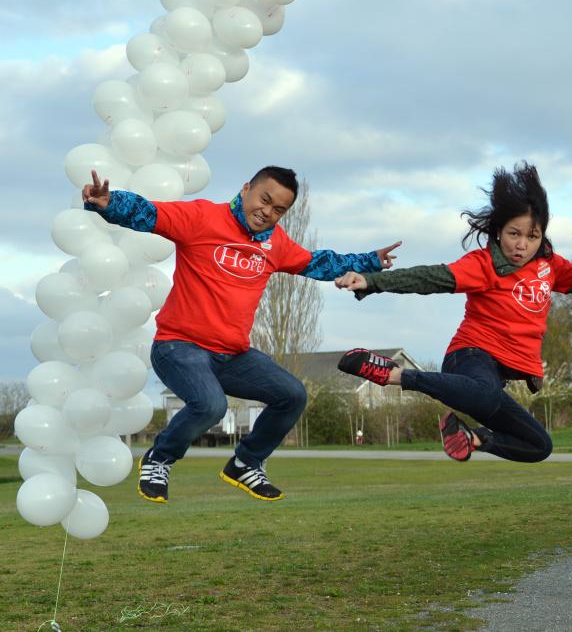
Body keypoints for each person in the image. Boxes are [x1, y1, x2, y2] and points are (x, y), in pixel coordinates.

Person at [81, 167, 399, 502]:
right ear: (246, 188)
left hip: (232, 355)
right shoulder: (203, 217)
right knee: (210, 406)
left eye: (279, 210)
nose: (267, 212)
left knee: (292, 394)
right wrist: (108, 202)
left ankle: (245, 463)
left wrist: (369, 261)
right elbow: (150, 213)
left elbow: (318, 262)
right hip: (179, 347)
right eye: (264, 200)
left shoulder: (276, 244)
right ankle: (160, 458)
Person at [335, 163, 572, 463]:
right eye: (513, 233)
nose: (522, 245)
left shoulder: (550, 266)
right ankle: (393, 374)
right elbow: (431, 278)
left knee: (538, 445)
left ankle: (472, 437)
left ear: (542, 236)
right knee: (487, 393)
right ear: (498, 231)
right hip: (469, 358)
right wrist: (372, 281)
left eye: (532, 236)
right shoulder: (483, 264)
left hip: (490, 381)